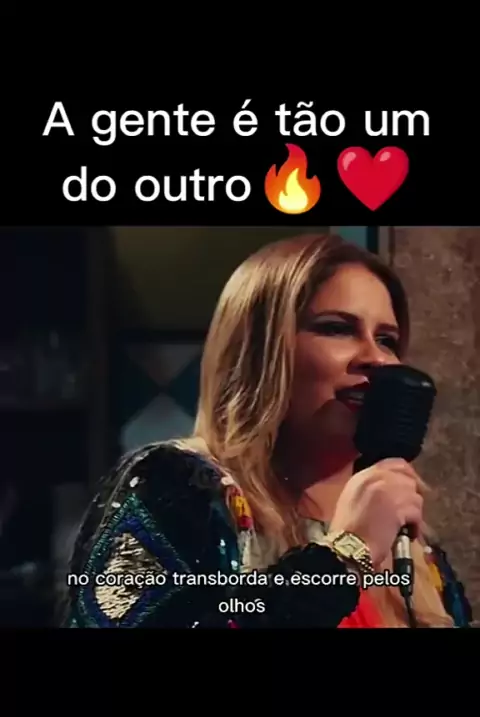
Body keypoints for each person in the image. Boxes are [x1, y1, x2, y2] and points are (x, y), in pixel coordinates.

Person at [65, 233, 472, 628]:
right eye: (337, 328)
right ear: (261, 351)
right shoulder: (178, 490)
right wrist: (346, 555)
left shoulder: (414, 548)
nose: (376, 358)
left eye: (386, 339)